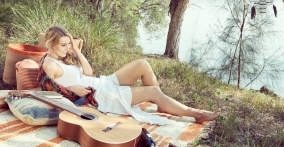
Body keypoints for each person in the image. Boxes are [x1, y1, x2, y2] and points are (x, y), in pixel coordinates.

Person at [39, 26, 221, 125]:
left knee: (143, 64)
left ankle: (162, 102)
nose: (67, 48)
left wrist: (76, 51)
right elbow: (49, 93)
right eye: (63, 45)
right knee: (153, 92)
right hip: (100, 95)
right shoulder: (49, 64)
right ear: (50, 44)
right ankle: (195, 114)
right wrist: (72, 88)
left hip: (102, 82)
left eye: (68, 44)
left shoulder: (63, 57)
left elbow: (88, 72)